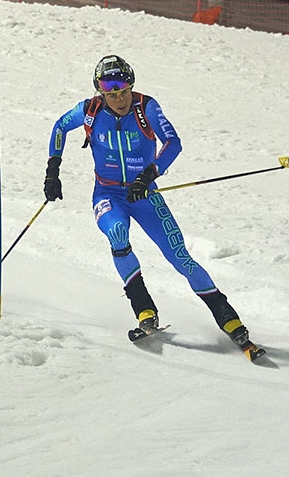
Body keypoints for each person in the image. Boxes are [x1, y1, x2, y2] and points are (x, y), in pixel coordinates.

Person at [43, 54, 265, 360]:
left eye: (124, 91)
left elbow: (173, 142)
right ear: (101, 92)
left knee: (181, 258)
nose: (120, 99)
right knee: (118, 233)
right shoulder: (90, 110)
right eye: (112, 94)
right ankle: (144, 310)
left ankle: (229, 318)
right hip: (107, 194)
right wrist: (52, 171)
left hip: (144, 194)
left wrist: (149, 174)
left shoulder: (146, 107)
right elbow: (58, 127)